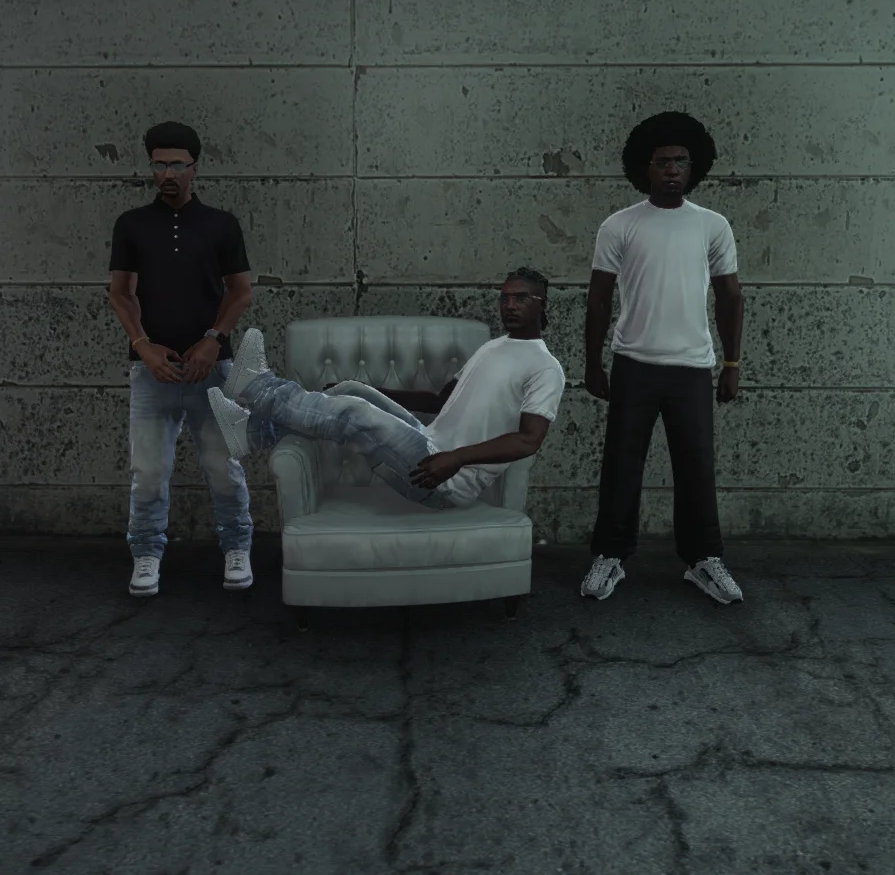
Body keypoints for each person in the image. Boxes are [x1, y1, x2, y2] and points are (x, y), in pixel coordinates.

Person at [204, 269, 564, 509]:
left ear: (542, 304)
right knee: (350, 391)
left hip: (444, 482)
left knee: (353, 413)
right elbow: (440, 400)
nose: (509, 305)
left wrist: (456, 458)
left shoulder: (545, 367)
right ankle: (250, 433)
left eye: (521, 298)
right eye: (505, 298)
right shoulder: (493, 347)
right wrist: (370, 388)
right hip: (428, 442)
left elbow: (529, 440)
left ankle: (257, 387)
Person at [580, 111, 746, 606]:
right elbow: (598, 300)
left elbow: (730, 297)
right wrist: (593, 363)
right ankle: (610, 556)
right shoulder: (619, 225)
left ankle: (703, 560)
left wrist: (732, 365)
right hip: (634, 363)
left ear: (693, 168)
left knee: (696, 468)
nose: (672, 169)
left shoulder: (712, 225)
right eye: (662, 162)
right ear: (645, 168)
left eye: (681, 161)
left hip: (692, 368)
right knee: (621, 465)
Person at [107, 121, 255, 598]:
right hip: (152, 372)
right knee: (148, 474)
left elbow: (240, 291)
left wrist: (214, 338)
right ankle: (147, 553)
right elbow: (121, 293)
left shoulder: (222, 224)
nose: (167, 173)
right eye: (159, 164)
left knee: (225, 469)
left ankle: (237, 547)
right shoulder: (131, 225)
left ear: (195, 168)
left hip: (214, 371)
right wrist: (143, 346)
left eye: (176, 164)